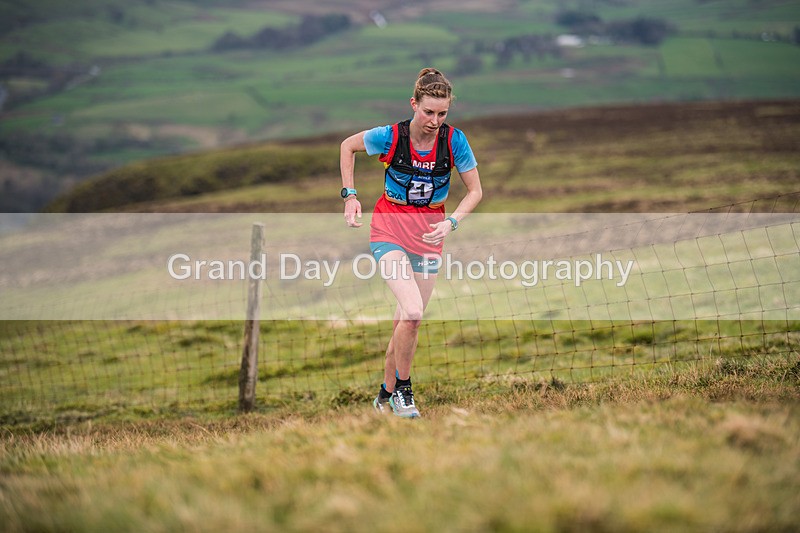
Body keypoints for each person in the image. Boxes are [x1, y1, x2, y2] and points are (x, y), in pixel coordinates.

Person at [339, 68, 483, 418]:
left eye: (442, 113)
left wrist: (451, 223)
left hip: (430, 236)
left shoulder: (454, 141)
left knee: (406, 322)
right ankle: (405, 391)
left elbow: (476, 191)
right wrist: (350, 195)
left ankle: (384, 397)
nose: (435, 120)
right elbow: (348, 146)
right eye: (428, 112)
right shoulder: (390, 137)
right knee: (414, 313)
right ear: (413, 104)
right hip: (389, 231)